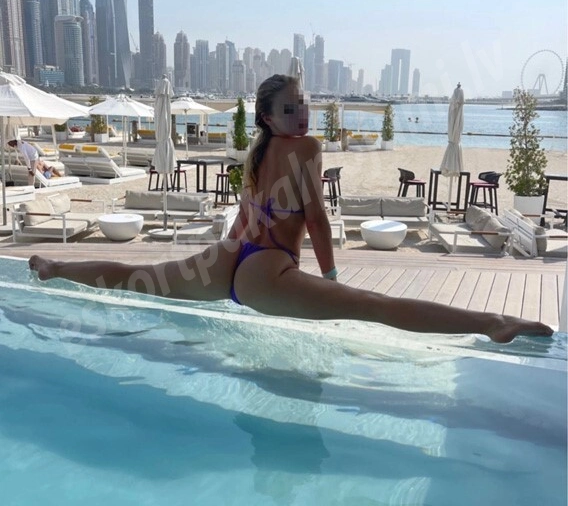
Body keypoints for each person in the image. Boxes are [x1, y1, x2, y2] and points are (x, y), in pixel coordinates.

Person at [29, 74, 553, 344]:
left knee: (134, 277)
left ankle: (56, 268)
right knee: (372, 304)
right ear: (268, 116)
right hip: (265, 269)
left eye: (303, 103)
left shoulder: (257, 153)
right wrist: (330, 277)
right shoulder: (306, 149)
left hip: (227, 259)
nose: (301, 113)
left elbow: (244, 219)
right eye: (289, 108)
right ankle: (492, 321)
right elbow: (317, 218)